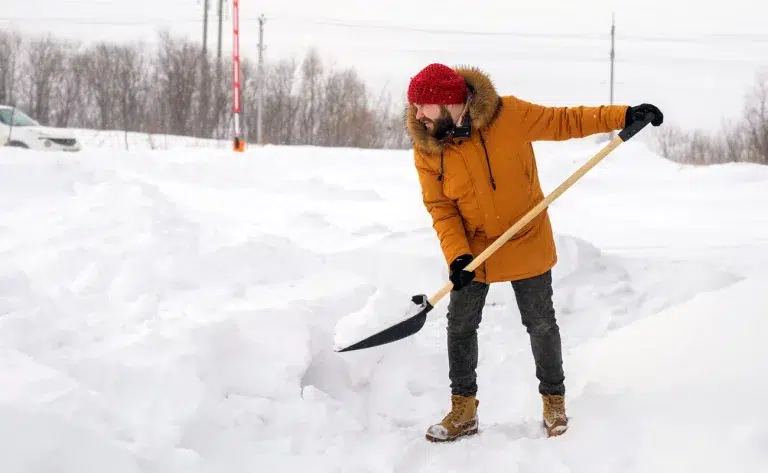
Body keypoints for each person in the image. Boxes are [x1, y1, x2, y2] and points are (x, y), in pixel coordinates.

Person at [404, 63, 662, 442]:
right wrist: (458, 256)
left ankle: (553, 401)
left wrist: (622, 115)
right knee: (460, 326)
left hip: (526, 235)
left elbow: (565, 121)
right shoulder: (429, 149)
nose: (416, 114)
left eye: (423, 106)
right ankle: (464, 409)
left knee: (540, 323)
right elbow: (441, 208)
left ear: (448, 102)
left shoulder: (507, 114)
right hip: (475, 250)